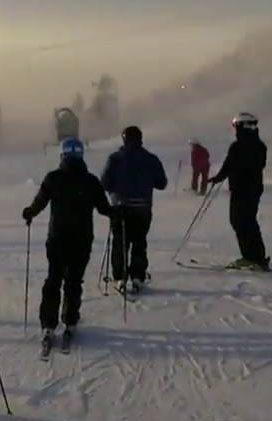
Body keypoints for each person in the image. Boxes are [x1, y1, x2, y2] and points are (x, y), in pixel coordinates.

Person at [22, 137, 113, 351]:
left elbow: (40, 202)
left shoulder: (53, 178)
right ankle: (70, 320)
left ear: (62, 155)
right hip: (82, 239)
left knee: (53, 279)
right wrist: (117, 213)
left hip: (57, 238)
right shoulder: (90, 181)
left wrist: (29, 213)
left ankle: (48, 324)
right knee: (73, 281)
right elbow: (103, 208)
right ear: (81, 155)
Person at [101, 126, 168, 295]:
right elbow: (162, 183)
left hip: (120, 207)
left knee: (120, 242)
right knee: (139, 242)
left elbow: (104, 182)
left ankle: (119, 277)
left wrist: (115, 191)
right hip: (142, 208)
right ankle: (137, 276)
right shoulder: (150, 158)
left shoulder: (115, 158)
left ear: (124, 139)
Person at [209, 113, 269, 271]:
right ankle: (256, 257)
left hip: (242, 189)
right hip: (253, 188)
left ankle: (252, 258)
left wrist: (219, 177)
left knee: (240, 221)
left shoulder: (238, 146)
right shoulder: (260, 145)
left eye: (236, 127)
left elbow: (230, 165)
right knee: (247, 221)